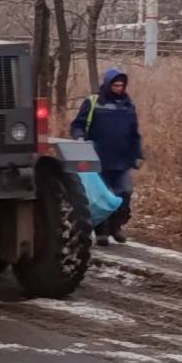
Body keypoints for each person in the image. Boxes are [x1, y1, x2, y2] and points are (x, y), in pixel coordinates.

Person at [70, 68, 144, 246]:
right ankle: (101, 230)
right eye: (116, 85)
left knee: (124, 193)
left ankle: (116, 226)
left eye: (122, 85)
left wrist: (138, 154)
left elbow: (134, 133)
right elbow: (78, 125)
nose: (119, 88)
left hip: (122, 158)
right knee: (102, 196)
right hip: (98, 157)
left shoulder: (128, 105)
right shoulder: (94, 102)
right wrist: (80, 138)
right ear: (108, 84)